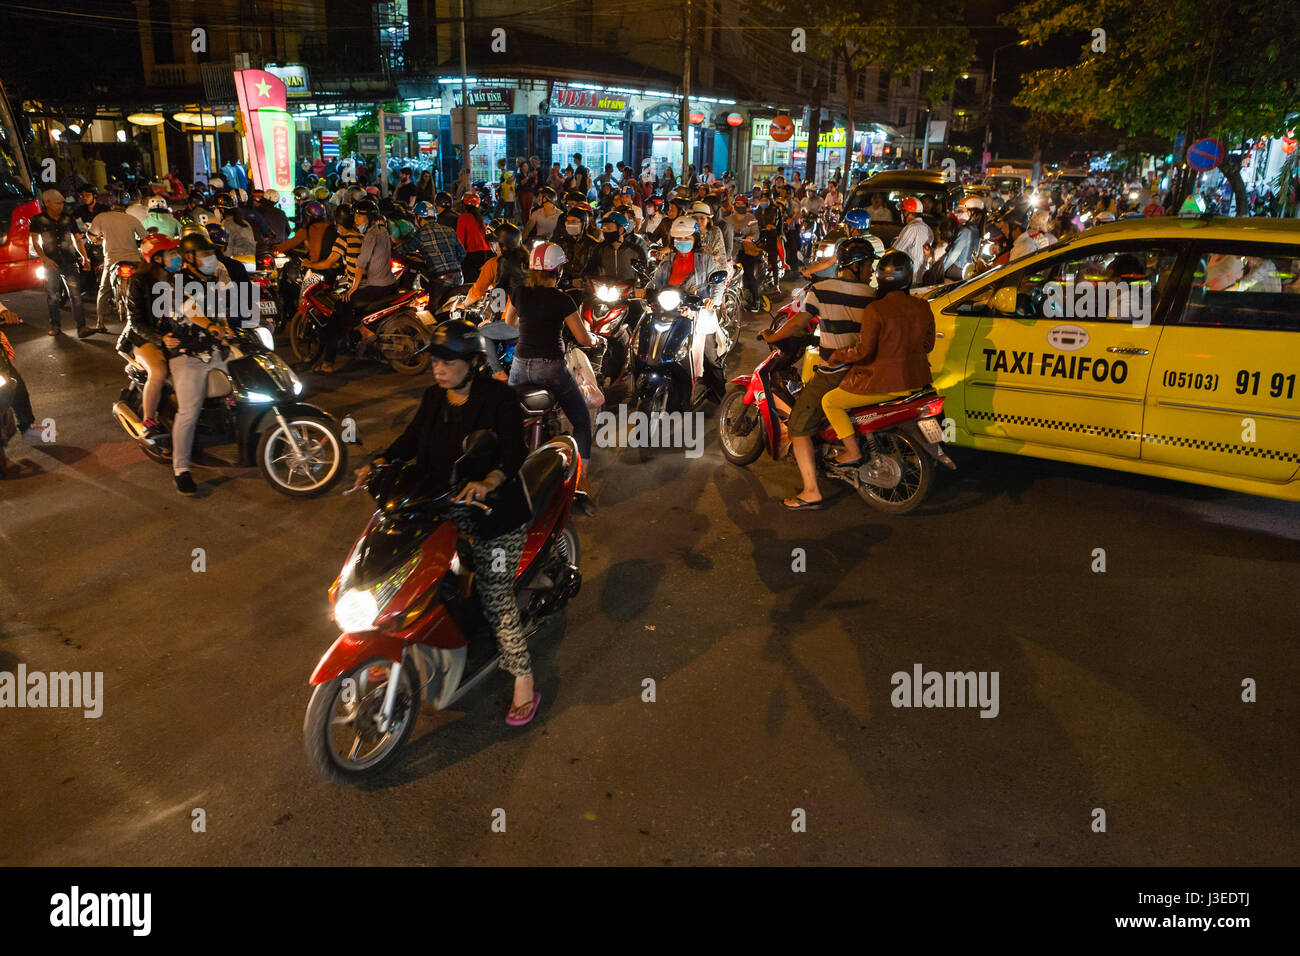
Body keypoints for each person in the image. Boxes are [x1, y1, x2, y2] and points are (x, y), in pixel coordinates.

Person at [355, 319, 541, 725]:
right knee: (397, 564)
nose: (438, 369)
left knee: (495, 593)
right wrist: (379, 461)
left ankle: (523, 679)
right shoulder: (433, 397)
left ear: (473, 362)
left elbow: (513, 452)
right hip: (438, 503)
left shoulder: (499, 398)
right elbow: (410, 439)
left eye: (448, 361)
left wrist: (488, 482)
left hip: (495, 513)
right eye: (435, 360)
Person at [762, 238, 878, 510]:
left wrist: (772, 335)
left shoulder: (822, 289)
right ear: (857, 265)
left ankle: (811, 491)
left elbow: (798, 323)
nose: (871, 270)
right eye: (869, 264)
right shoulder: (872, 295)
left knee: (798, 426)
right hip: (863, 370)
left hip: (834, 372)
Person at [820, 250, 935, 471]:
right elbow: (927, 346)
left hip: (884, 384)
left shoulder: (876, 309)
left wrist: (838, 355)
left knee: (830, 402)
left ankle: (852, 451)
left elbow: (863, 352)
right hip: (917, 381)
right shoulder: (922, 306)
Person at [503, 242, 595, 463]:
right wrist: (594, 340)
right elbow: (582, 337)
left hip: (519, 365)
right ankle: (582, 480)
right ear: (559, 270)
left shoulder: (520, 292)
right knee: (582, 421)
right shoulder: (562, 299)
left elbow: (508, 321)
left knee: (509, 418)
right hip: (550, 367)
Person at [168, 233, 237, 496]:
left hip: (216, 350)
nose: (210, 258)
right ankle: (181, 470)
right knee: (189, 411)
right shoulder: (178, 281)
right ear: (188, 257)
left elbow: (220, 310)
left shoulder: (212, 278)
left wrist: (226, 327)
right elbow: (190, 310)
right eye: (204, 254)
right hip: (188, 354)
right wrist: (209, 325)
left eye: (211, 253)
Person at [649, 216, 726, 403]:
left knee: (710, 356)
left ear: (696, 239)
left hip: (699, 314)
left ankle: (720, 396)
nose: (682, 242)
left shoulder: (705, 260)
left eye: (687, 238)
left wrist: (713, 301)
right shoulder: (668, 260)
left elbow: (718, 283)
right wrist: (646, 291)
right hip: (670, 313)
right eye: (679, 239)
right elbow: (656, 281)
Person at [118, 234, 184, 439]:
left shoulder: (179, 278)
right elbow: (135, 322)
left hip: (174, 335)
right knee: (159, 371)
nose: (177, 257)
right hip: (144, 338)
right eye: (172, 253)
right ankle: (149, 421)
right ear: (157, 258)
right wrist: (160, 339)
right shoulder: (139, 281)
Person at [317, 200, 393, 372]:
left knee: (336, 315)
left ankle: (328, 362)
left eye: (360, 215)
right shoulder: (377, 233)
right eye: (355, 215)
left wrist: (352, 289)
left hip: (371, 286)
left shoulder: (362, 236)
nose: (356, 219)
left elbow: (358, 265)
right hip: (386, 284)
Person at [31, 189, 94, 338]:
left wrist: (85, 257)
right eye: (57, 203)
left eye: (61, 203)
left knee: (76, 295)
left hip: (70, 260)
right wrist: (45, 258)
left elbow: (78, 239)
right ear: (46, 202)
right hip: (51, 263)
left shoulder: (68, 218)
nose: (60, 206)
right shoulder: (38, 220)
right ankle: (55, 325)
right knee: (53, 295)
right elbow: (35, 242)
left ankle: (81, 327)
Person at [86, 198, 144, 331]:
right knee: (142, 286)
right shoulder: (132, 219)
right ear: (125, 207)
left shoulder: (101, 217)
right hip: (134, 259)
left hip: (112, 260)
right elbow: (145, 237)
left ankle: (100, 322)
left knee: (104, 289)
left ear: (111, 206)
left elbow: (90, 235)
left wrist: (97, 240)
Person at [411, 200, 466, 311]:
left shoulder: (421, 233)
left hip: (441, 281)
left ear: (419, 217)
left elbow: (404, 249)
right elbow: (462, 254)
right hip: (459, 277)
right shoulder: (449, 230)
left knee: (432, 313)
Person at [586, 212, 644, 281]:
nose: (605, 232)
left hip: (630, 290)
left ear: (621, 230)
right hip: (605, 289)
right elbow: (590, 271)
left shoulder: (636, 250)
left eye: (609, 228)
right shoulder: (599, 249)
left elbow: (644, 276)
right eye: (604, 229)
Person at [940, 195, 985, 280]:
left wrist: (941, 270)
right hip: (968, 270)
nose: (958, 214)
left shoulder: (966, 230)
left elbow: (953, 255)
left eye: (961, 211)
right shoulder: (976, 229)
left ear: (972, 213)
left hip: (958, 270)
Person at [456, 191, 492, 283]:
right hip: (485, 254)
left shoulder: (463, 217)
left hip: (471, 255)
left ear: (464, 204)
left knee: (468, 284)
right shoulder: (480, 218)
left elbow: (460, 241)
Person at [891, 197, 932, 277]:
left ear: (908, 213)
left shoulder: (911, 228)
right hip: (923, 275)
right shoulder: (928, 228)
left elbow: (895, 250)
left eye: (903, 211)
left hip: (911, 277)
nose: (901, 214)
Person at [691, 200, 727, 267]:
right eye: (695, 218)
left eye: (702, 218)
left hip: (713, 267)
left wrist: (703, 261)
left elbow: (718, 255)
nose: (698, 221)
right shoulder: (690, 232)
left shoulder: (715, 231)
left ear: (708, 220)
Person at [496, 158, 516, 222]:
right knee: (506, 211)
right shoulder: (504, 171)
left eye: (497, 164)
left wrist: (498, 186)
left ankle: (498, 222)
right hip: (505, 194)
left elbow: (503, 183)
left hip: (504, 195)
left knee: (500, 210)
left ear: (500, 164)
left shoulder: (504, 172)